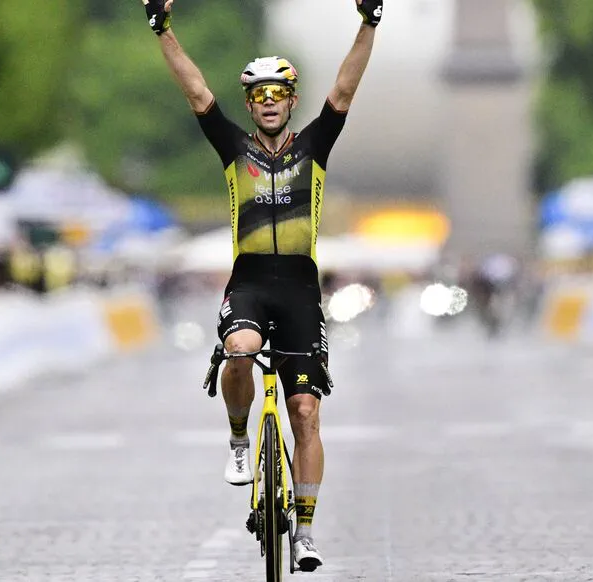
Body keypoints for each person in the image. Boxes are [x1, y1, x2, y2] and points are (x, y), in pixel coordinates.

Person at [143, 0, 381, 571]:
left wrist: (369, 22)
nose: (269, 104)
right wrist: (163, 29)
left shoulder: (313, 146)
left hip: (300, 287)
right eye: (259, 96)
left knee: (304, 410)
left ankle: (303, 531)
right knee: (240, 349)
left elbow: (346, 88)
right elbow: (196, 92)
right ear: (250, 104)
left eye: (278, 95)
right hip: (249, 280)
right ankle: (238, 440)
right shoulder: (234, 148)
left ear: (292, 102)